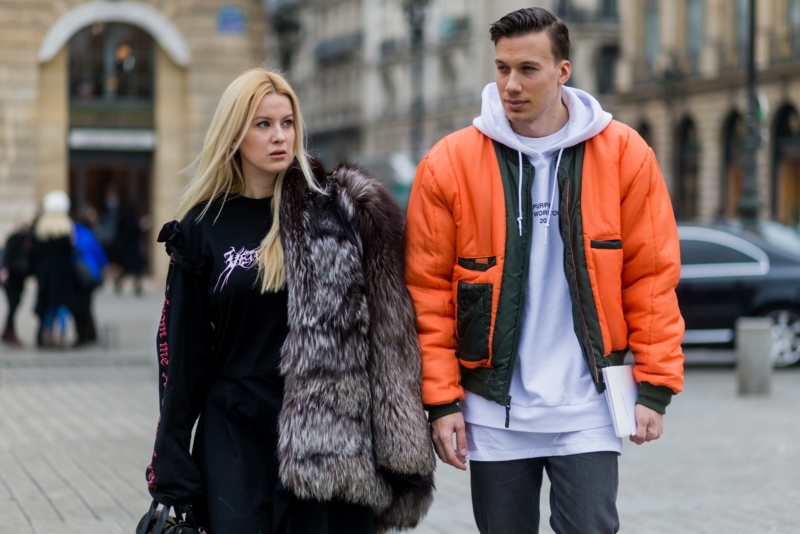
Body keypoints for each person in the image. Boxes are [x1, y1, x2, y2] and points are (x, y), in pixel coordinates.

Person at [404, 8, 684, 534]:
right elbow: (428, 293)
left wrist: (654, 387)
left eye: (528, 69)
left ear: (563, 71)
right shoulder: (450, 162)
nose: (511, 84)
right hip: (492, 407)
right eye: (502, 68)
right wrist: (440, 403)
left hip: (590, 405)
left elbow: (650, 278)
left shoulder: (625, 154)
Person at [144, 68, 434, 534]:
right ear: (234, 133)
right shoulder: (203, 227)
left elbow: (391, 334)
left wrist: (404, 444)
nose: (280, 136)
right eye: (263, 124)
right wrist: (171, 460)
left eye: (287, 122)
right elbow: (182, 356)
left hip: (330, 439)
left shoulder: (342, 211)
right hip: (235, 431)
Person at [31, 190, 78, 348]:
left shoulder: (42, 228)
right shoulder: (66, 228)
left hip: (47, 274)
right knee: (62, 305)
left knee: (50, 304)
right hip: (63, 274)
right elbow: (71, 251)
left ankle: (47, 333)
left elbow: (36, 252)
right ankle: (62, 335)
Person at [72, 213, 108, 346]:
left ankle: (83, 335)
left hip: (79, 276)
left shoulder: (73, 234)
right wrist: (104, 266)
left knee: (80, 307)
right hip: (91, 275)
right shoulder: (89, 234)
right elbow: (99, 254)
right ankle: (91, 334)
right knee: (87, 306)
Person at [1, 221, 32, 346]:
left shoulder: (21, 239)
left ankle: (8, 331)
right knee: (13, 305)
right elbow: (8, 256)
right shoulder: (17, 239)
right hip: (14, 277)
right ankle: (9, 332)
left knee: (13, 305)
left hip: (17, 277)